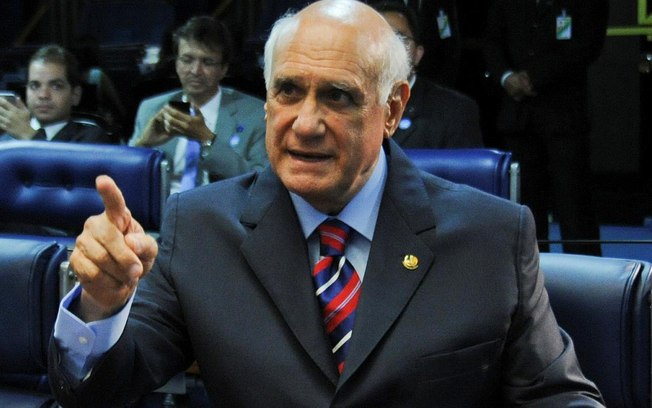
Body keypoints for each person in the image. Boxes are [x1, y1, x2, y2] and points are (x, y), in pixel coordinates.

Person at [49, 1, 604, 406]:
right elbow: (100, 391)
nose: (306, 123)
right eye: (288, 91)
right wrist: (101, 307)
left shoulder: (493, 236)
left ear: (392, 108)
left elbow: (556, 396)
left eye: (338, 96)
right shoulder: (198, 226)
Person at [483, 0, 609, 255]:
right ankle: (530, 272)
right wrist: (506, 77)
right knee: (526, 208)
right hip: (519, 116)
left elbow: (588, 44)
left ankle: (587, 272)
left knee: (574, 205)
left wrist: (534, 78)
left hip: (565, 115)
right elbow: (492, 40)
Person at [129, 15, 267, 193]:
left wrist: (207, 140)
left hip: (221, 208)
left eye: (207, 62)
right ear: (176, 63)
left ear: (223, 69)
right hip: (162, 208)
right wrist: (143, 144)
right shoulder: (150, 108)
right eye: (187, 60)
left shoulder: (255, 113)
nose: (195, 71)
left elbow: (260, 185)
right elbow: (124, 175)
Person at [372, 0, 483, 148]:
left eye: (400, 38)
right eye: (379, 38)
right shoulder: (345, 104)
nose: (389, 48)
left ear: (418, 54)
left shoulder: (455, 111)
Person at [0, 45, 112, 143]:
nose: (43, 95)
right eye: (34, 86)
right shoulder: (6, 139)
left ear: (75, 95)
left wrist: (28, 134)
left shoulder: (93, 138)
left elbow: (61, 162)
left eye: (56, 86)